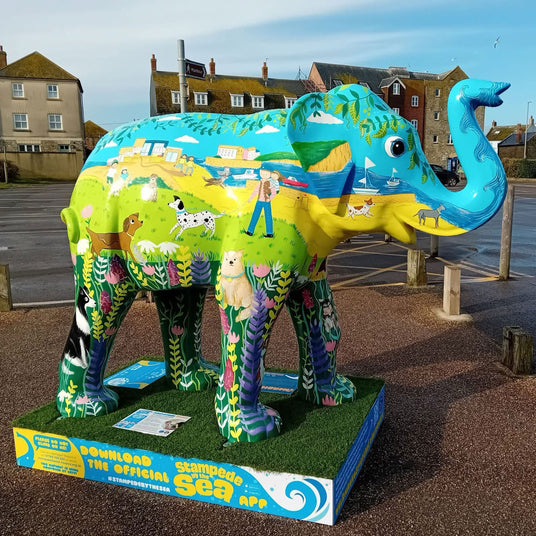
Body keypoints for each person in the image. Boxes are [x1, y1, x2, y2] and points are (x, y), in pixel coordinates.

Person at [246, 168, 278, 237]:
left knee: (268, 217)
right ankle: (250, 231)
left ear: (270, 174)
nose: (264, 175)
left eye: (266, 174)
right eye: (262, 173)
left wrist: (270, 199)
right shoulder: (260, 181)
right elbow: (256, 190)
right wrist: (250, 198)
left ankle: (269, 233)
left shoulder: (270, 182)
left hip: (266, 202)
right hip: (259, 201)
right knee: (255, 215)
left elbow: (274, 192)